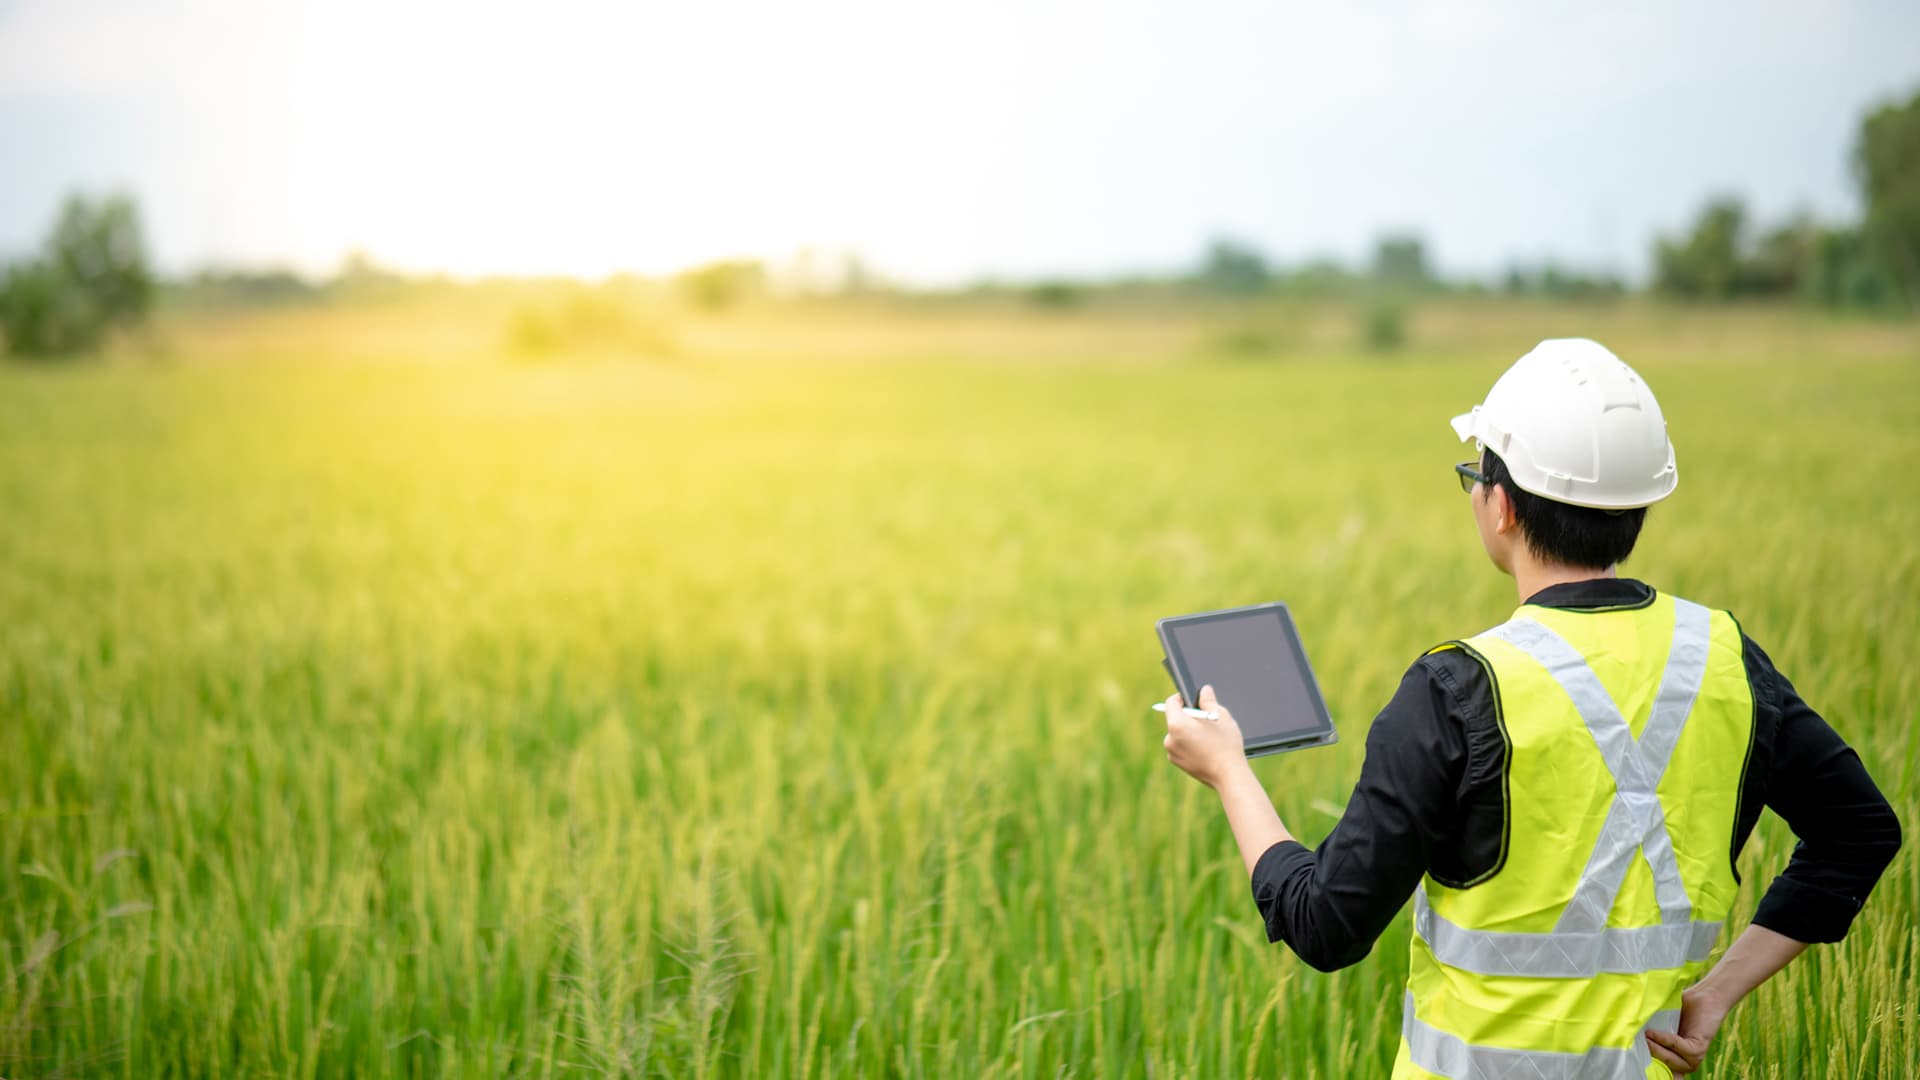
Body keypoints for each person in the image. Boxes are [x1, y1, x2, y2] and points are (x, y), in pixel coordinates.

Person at [1160, 338, 1901, 1079]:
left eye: (1472, 477)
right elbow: (1860, 831)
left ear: (1503, 505)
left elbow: (1326, 924)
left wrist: (1230, 771)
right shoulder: (1726, 657)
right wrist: (1716, 993)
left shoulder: (1456, 688)